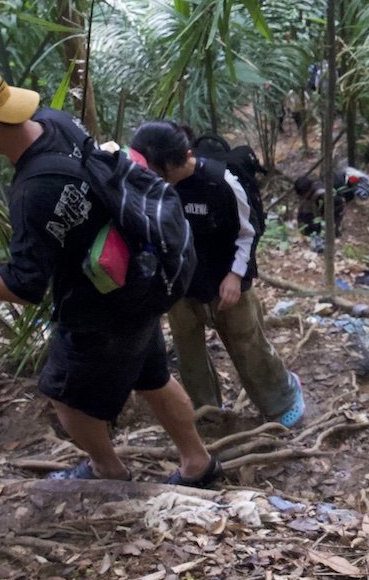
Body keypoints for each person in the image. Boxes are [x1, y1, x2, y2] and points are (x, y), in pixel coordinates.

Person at [0, 58, 219, 487]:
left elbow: (23, 286)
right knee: (152, 376)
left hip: (99, 308)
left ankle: (107, 471)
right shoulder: (55, 121)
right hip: (139, 273)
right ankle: (198, 463)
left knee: (66, 401)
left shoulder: (32, 194)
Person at [130, 122, 304, 424]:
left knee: (248, 343)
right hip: (181, 284)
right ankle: (209, 415)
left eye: (155, 168)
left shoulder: (221, 182)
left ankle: (281, 403)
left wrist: (236, 276)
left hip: (227, 279)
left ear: (172, 163)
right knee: (188, 353)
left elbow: (249, 232)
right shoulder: (156, 188)